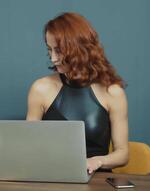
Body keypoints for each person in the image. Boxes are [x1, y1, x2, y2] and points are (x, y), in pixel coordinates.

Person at [27, 12, 129, 173]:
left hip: (96, 182)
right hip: (51, 178)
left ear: (79, 49)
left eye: (59, 50)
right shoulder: (40, 88)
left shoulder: (113, 92)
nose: (53, 58)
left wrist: (98, 161)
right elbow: (28, 146)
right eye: (49, 50)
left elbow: (123, 154)